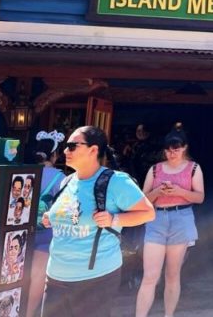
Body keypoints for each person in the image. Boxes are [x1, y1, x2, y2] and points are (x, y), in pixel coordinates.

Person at [40, 126, 155, 317]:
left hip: (94, 279)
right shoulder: (67, 182)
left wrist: (114, 219)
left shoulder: (116, 181)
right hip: (56, 277)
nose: (65, 151)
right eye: (65, 146)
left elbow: (148, 213)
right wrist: (53, 218)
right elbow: (73, 215)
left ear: (93, 150)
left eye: (72, 146)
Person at [136, 131, 205, 317]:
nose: (171, 154)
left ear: (184, 148)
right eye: (168, 150)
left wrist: (179, 191)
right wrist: (158, 191)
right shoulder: (155, 169)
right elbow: (143, 199)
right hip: (157, 219)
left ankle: (169, 315)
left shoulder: (193, 168)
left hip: (181, 218)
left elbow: (199, 197)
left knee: (172, 275)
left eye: (176, 149)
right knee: (150, 276)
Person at [27, 130, 66, 317]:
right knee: (38, 277)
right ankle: (28, 313)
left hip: (21, 230)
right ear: (55, 154)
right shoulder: (60, 178)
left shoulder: (24, 172)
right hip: (46, 232)